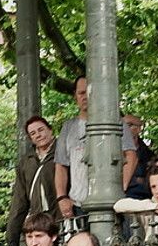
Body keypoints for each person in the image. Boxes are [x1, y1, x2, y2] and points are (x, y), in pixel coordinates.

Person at [54, 76, 138, 221]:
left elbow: (131, 156)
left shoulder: (116, 122)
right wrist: (61, 197)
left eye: (90, 92)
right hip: (78, 204)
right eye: (81, 93)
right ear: (75, 96)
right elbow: (61, 165)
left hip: (111, 203)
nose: (85, 96)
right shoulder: (68, 127)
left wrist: (121, 186)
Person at [5, 116, 59, 246]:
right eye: (33, 133)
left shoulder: (62, 151)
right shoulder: (26, 161)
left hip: (61, 216)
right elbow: (19, 199)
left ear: (50, 129)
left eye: (41, 130)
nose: (38, 135)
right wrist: (12, 234)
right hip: (38, 219)